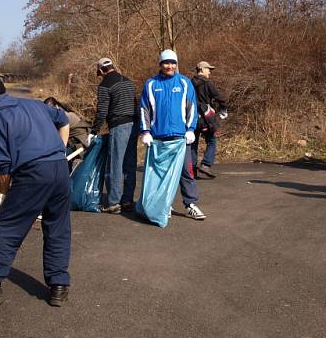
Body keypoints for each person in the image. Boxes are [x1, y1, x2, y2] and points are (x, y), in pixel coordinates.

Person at [0, 75, 72, 308]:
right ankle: (58, 286)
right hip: (60, 170)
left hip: (33, 174)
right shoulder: (34, 104)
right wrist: (60, 150)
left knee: (8, 227)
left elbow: (3, 167)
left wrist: (3, 193)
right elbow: (64, 119)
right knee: (58, 225)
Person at [139, 49, 206, 221]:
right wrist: (145, 131)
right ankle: (163, 204)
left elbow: (192, 108)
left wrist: (191, 129)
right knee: (158, 173)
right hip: (158, 137)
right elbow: (144, 109)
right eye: (166, 63)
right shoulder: (151, 84)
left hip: (180, 137)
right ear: (160, 65)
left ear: (176, 64)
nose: (170, 66)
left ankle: (190, 204)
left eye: (173, 63)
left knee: (186, 172)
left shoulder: (184, 83)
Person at [89, 57, 139, 214]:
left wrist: (94, 130)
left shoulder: (105, 85)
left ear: (101, 70)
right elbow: (136, 104)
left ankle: (113, 203)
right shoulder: (129, 81)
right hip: (134, 125)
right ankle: (127, 200)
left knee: (115, 165)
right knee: (130, 164)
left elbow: (102, 111)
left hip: (119, 126)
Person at [191, 61, 227, 178]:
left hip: (192, 116)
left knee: (193, 143)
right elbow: (219, 97)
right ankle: (206, 165)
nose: (210, 72)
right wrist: (223, 108)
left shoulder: (189, 83)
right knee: (211, 141)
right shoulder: (207, 83)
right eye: (208, 69)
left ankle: (191, 170)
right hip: (206, 117)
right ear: (201, 69)